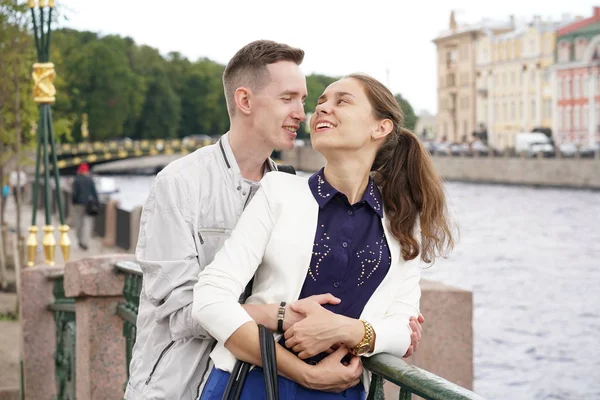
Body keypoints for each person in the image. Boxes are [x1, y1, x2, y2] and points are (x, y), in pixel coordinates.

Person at [125, 40, 427, 400]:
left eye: (304, 100)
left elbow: (400, 324)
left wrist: (362, 331)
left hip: (281, 378)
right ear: (245, 101)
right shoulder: (182, 182)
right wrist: (279, 316)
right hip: (184, 382)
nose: (304, 113)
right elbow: (181, 309)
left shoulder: (284, 183)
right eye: (289, 99)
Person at [193, 73, 454, 399]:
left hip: (342, 390)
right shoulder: (278, 193)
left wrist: (346, 329)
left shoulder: (400, 221)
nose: (322, 110)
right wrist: (305, 372)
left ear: (380, 127)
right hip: (253, 384)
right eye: (320, 104)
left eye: (342, 101)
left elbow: (404, 330)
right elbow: (209, 298)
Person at [71, 163, 98, 250]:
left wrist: (73, 202)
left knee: (79, 223)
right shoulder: (90, 180)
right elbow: (94, 193)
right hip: (89, 205)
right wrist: (97, 204)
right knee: (87, 224)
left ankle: (80, 240)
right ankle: (85, 242)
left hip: (78, 204)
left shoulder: (76, 180)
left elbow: (74, 193)